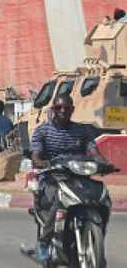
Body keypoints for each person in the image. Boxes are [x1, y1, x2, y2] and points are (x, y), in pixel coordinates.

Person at [24, 93, 113, 263]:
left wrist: (104, 163)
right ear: (53, 109)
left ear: (72, 109)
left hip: (79, 176)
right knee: (57, 199)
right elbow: (35, 155)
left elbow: (94, 152)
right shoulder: (43, 130)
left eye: (66, 108)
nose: (63, 111)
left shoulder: (82, 130)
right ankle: (44, 242)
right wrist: (42, 162)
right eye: (59, 108)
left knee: (103, 198)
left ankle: (97, 237)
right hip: (52, 176)